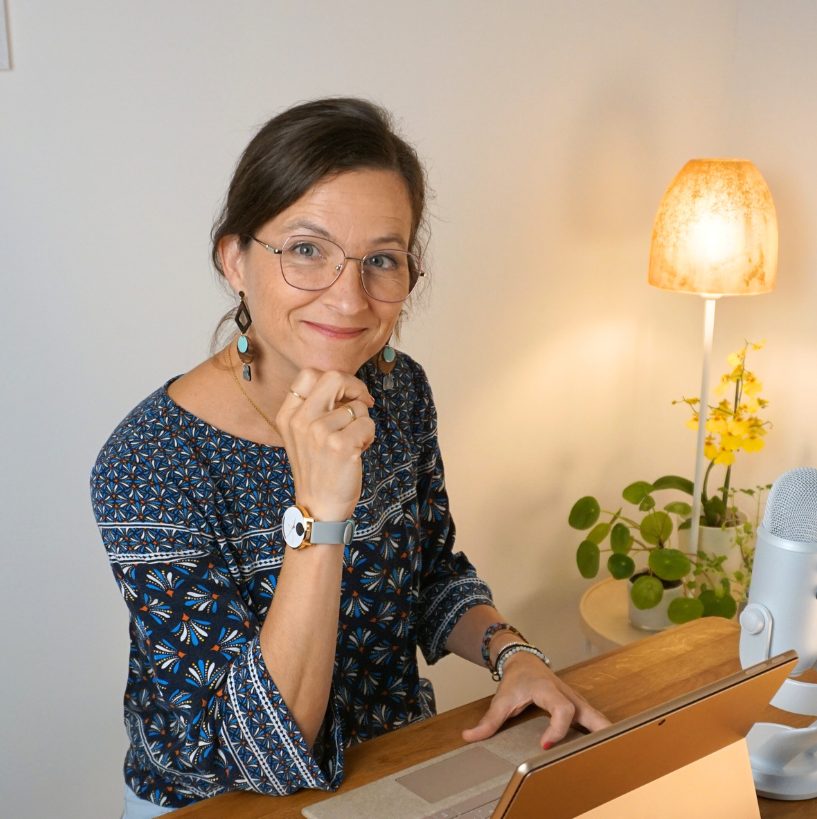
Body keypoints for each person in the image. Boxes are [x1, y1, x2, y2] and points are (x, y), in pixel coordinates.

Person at [90, 97, 611, 818]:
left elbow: (429, 570)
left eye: (381, 260)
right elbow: (263, 756)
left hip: (391, 773)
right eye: (306, 249)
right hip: (220, 803)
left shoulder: (397, 392)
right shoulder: (147, 463)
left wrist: (513, 654)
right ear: (234, 259)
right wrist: (319, 513)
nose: (348, 296)